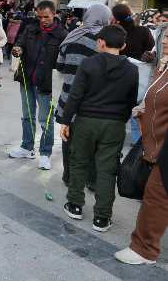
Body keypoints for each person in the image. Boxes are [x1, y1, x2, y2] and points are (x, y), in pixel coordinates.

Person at [60, 25, 139, 232]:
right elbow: (131, 100)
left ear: (101, 42)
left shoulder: (88, 63)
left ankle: (75, 205)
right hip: (114, 124)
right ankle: (102, 218)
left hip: (86, 120)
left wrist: (66, 121)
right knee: (107, 170)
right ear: (123, 45)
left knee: (79, 162)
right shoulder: (132, 69)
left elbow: (75, 95)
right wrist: (120, 120)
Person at [115, 28, 168, 264]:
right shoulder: (163, 67)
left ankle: (144, 249)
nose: (165, 40)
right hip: (155, 142)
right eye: (165, 35)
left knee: (156, 196)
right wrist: (144, 112)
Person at [55, 3, 112, 187]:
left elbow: (60, 67)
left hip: (68, 98)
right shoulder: (103, 42)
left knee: (67, 137)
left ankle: (68, 176)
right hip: (92, 101)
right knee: (92, 141)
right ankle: (91, 179)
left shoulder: (71, 36)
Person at [10, 0, 68, 170]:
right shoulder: (30, 28)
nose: (42, 20)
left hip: (47, 85)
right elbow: (19, 42)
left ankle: (45, 153)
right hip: (27, 79)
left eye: (46, 17)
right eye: (40, 16)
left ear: (54, 14)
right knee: (27, 116)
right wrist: (18, 48)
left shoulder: (62, 35)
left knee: (45, 120)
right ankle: (27, 147)